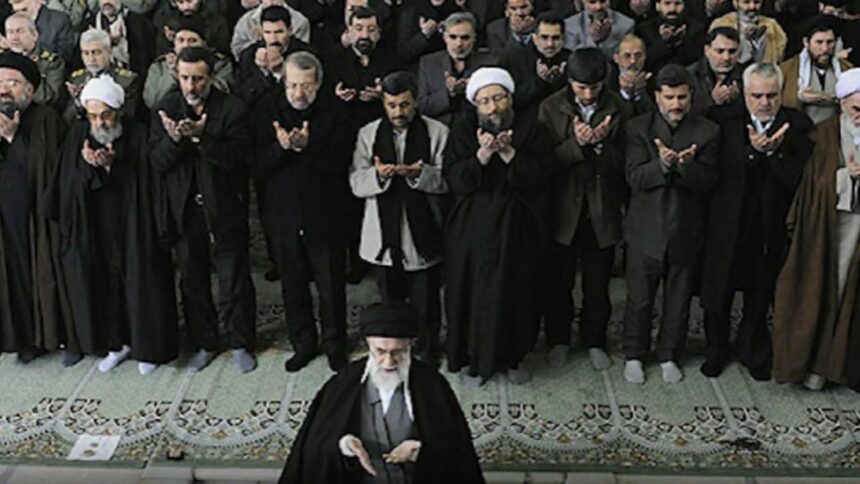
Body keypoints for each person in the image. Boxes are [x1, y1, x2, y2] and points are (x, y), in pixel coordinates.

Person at [43, 75, 179, 374]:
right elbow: (65, 187)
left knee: (141, 283)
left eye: (105, 115)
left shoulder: (138, 134)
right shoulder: (78, 136)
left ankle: (148, 348)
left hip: (134, 222)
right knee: (105, 284)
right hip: (95, 225)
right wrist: (90, 168)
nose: (100, 123)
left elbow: (149, 181)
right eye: (93, 116)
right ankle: (116, 344)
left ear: (118, 111)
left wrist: (112, 166)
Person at [279, 302, 486, 484]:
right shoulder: (342, 383)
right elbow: (317, 447)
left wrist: (420, 451)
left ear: (410, 345)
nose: (388, 362)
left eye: (397, 352)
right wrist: (345, 445)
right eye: (380, 351)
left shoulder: (433, 386)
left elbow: (454, 453)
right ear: (368, 345)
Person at [700, 63, 813, 379]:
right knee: (718, 293)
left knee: (760, 292)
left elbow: (798, 178)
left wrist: (774, 154)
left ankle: (753, 350)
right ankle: (716, 349)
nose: (765, 103)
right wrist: (751, 152)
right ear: (745, 94)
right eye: (757, 96)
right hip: (726, 223)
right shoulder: (721, 120)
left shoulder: (797, 125)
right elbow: (714, 172)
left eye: (772, 96)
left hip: (768, 226)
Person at [149, 46, 257, 374]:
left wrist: (201, 139)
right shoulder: (165, 108)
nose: (191, 86)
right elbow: (157, 162)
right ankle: (206, 342)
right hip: (184, 210)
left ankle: (240, 343)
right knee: (192, 281)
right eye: (185, 78)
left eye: (198, 79)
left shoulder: (232, 109)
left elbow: (239, 159)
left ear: (210, 77)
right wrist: (175, 141)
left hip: (225, 207)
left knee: (234, 281)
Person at [444, 67, 554, 385]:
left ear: (510, 99)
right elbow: (454, 179)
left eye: (498, 98)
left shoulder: (532, 129)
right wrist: (482, 155)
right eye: (485, 101)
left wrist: (508, 153)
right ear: (475, 105)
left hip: (517, 229)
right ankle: (474, 360)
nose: (493, 107)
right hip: (472, 230)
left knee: (516, 293)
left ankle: (513, 357)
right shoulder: (462, 130)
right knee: (471, 295)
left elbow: (544, 174)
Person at [253, 51, 352, 373]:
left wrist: (307, 148)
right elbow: (255, 164)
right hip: (282, 214)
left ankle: (335, 344)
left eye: (306, 86)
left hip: (326, 214)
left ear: (318, 84)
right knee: (293, 285)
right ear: (283, 81)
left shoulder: (337, 111)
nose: (298, 93)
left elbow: (341, 163)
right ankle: (303, 343)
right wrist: (282, 149)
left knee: (331, 286)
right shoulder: (267, 108)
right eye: (292, 85)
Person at [622, 63, 719, 384]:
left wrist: (687, 167)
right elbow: (634, 177)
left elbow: (710, 182)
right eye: (669, 97)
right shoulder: (638, 128)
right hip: (644, 230)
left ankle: (669, 354)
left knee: (678, 302)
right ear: (657, 97)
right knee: (639, 299)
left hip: (686, 230)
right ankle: (634, 354)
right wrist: (663, 166)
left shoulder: (708, 132)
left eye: (682, 97)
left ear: (691, 95)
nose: (676, 104)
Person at [539, 48, 632, 370]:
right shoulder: (550, 107)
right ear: (569, 80)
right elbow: (542, 162)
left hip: (602, 208)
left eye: (594, 87)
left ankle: (594, 340)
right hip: (563, 209)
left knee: (597, 284)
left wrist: (602, 145)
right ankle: (559, 339)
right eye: (581, 88)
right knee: (558, 283)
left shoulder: (621, 108)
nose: (589, 94)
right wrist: (577, 145)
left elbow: (628, 163)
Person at [350, 71, 449, 367]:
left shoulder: (437, 132)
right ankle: (393, 352)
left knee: (426, 303)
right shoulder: (368, 134)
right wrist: (379, 176)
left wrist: (419, 174)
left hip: (422, 233)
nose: (398, 112)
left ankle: (427, 351)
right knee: (390, 303)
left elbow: (447, 181)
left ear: (416, 101)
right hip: (383, 236)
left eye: (404, 105)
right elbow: (356, 183)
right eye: (391, 105)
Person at [772, 68, 860, 392]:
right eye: (857, 108)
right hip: (829, 227)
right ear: (843, 104)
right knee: (821, 291)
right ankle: (815, 366)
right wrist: (848, 177)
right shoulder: (823, 136)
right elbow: (814, 184)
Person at [0, 51, 68, 363]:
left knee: (34, 275)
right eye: (0, 83)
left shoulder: (46, 120)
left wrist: (12, 137)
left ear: (30, 89)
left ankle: (40, 337)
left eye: (13, 83)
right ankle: (13, 338)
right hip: (5, 217)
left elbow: (45, 172)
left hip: (36, 219)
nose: (4, 90)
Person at [417, 11, 495, 126]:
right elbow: (422, 106)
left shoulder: (490, 64)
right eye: (453, 37)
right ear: (444, 37)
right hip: (440, 130)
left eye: (465, 38)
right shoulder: (428, 63)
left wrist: (473, 89)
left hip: (477, 128)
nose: (458, 43)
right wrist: (449, 93)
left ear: (474, 38)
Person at [142, 17, 234, 109]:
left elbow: (223, 95)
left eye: (192, 41)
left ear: (204, 43)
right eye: (180, 40)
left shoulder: (220, 64)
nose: (185, 45)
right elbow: (152, 101)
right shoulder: (159, 67)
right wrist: (173, 76)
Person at [235, 6, 315, 106]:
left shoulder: (306, 55)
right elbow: (242, 97)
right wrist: (263, 72)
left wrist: (280, 72)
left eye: (279, 32)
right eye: (267, 32)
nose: (273, 39)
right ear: (261, 32)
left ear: (290, 30)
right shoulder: (248, 55)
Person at [501, 12, 571, 123]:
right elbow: (512, 100)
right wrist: (540, 81)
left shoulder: (571, 59)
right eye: (544, 37)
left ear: (563, 38)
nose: (550, 44)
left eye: (556, 38)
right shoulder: (516, 58)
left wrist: (558, 80)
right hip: (526, 122)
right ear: (534, 38)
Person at [779, 18, 852, 125]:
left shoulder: (846, 69)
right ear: (806, 42)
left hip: (835, 131)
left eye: (830, 42)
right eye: (819, 42)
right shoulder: (787, 70)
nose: (825, 49)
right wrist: (798, 97)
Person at [65, 29, 140, 122]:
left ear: (109, 51)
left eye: (96, 52)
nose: (91, 59)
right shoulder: (77, 80)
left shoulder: (126, 81)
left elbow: (129, 116)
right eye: (86, 53)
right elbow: (68, 119)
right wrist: (78, 102)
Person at [80, 0, 156, 77]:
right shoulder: (89, 25)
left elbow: (144, 61)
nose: (107, 1)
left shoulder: (139, 24)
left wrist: (121, 43)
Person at [4, 13, 64, 107]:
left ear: (34, 35)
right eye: (10, 32)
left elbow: (47, 98)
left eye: (20, 31)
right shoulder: (3, 59)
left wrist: (25, 67)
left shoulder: (52, 62)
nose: (15, 37)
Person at [635, 0, 706, 73]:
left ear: (684, 6)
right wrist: (662, 41)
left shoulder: (697, 29)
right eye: (667, 3)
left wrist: (680, 41)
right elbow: (645, 62)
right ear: (658, 6)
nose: (672, 9)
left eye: (677, 3)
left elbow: (698, 62)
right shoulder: (644, 29)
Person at [709, 0, 786, 64]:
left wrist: (758, 40)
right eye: (746, 2)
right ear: (735, 3)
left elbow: (780, 57)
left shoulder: (773, 26)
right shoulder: (722, 24)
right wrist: (744, 38)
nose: (752, 7)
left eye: (756, 2)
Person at [687, 26, 743, 114]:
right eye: (720, 51)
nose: (726, 58)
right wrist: (712, 101)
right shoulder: (689, 75)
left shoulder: (747, 74)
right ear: (707, 50)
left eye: (732, 51)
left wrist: (738, 100)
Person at [231, 0, 310, 60]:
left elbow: (302, 55)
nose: (270, 1)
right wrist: (257, 47)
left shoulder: (299, 21)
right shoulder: (246, 21)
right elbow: (237, 50)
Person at [563, 0, 635, 58]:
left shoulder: (627, 24)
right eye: (592, 2)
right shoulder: (569, 25)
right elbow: (572, 58)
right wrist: (593, 40)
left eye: (603, 1)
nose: (599, 7)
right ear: (583, 2)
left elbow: (624, 58)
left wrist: (606, 40)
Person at [9, 0, 75, 63]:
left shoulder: (59, 20)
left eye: (24, 10)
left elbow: (65, 55)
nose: (20, 15)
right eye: (16, 12)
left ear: (37, 3)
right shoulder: (12, 22)